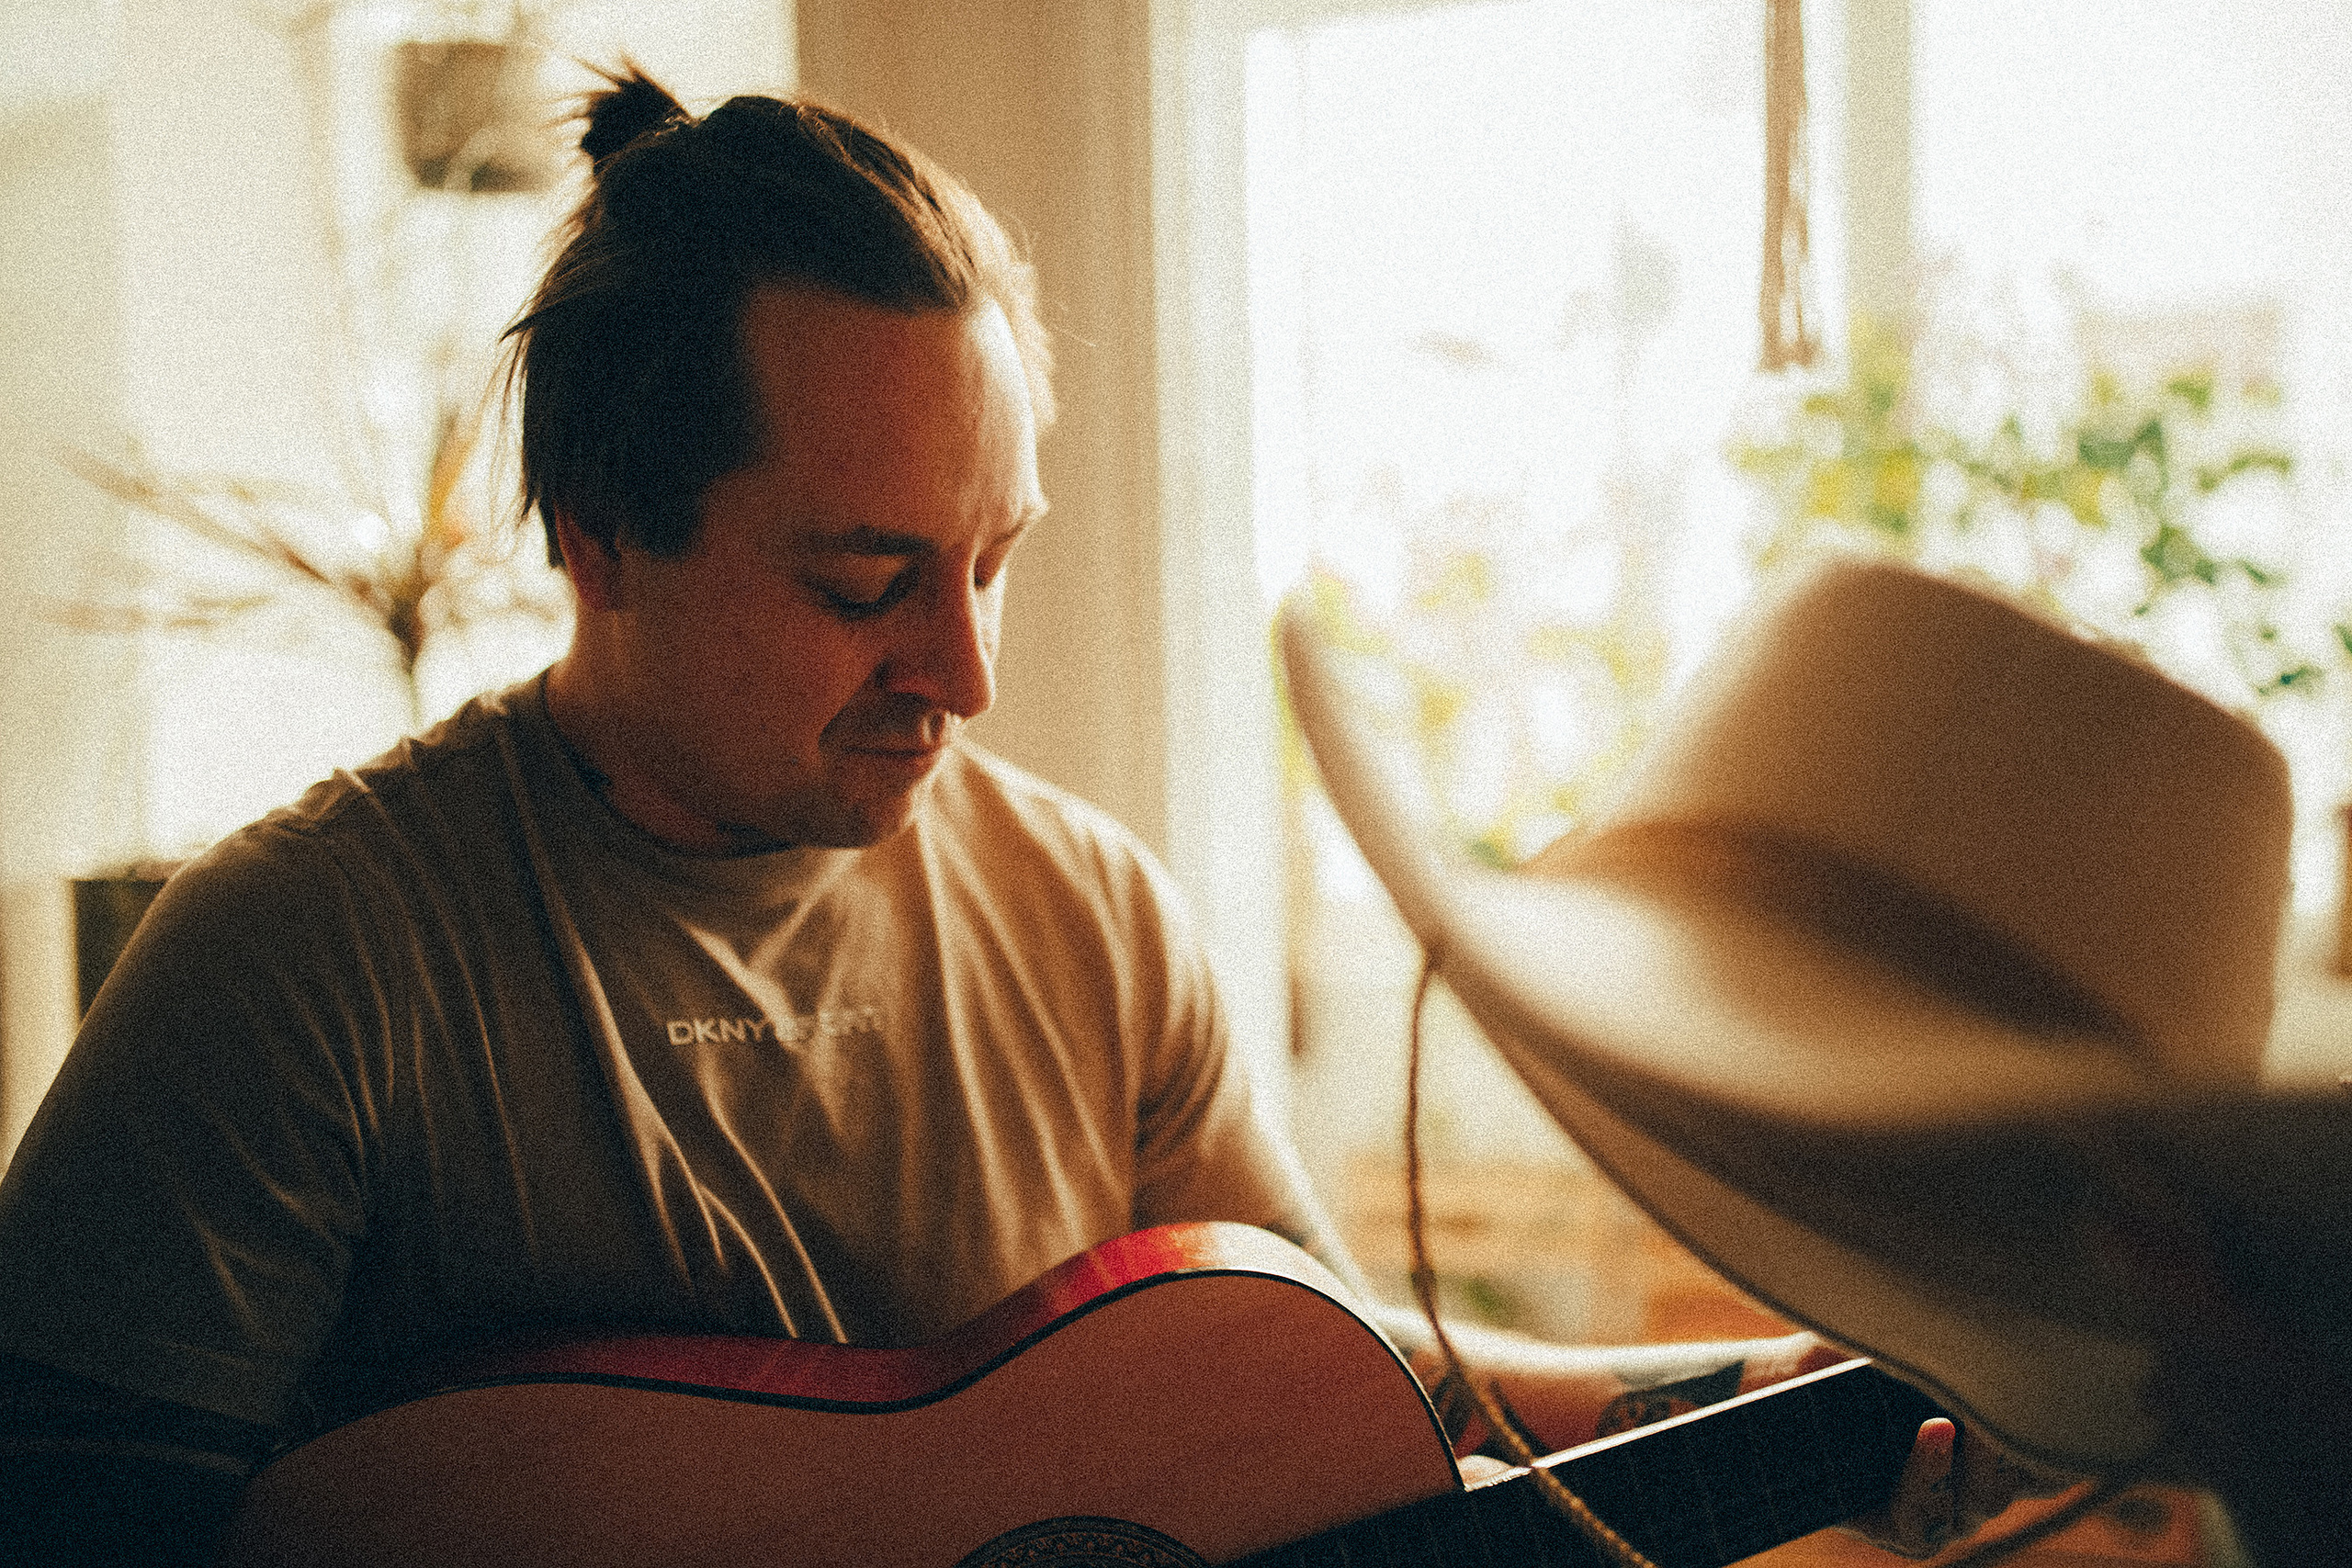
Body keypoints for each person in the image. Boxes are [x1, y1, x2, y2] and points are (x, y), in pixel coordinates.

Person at [0, 67, 1998, 1564]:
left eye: (995, 561)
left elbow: (1333, 1372)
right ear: (598, 530)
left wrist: (1759, 1398)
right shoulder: (299, 965)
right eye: (867, 582)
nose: (962, 671)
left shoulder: (1094, 915)